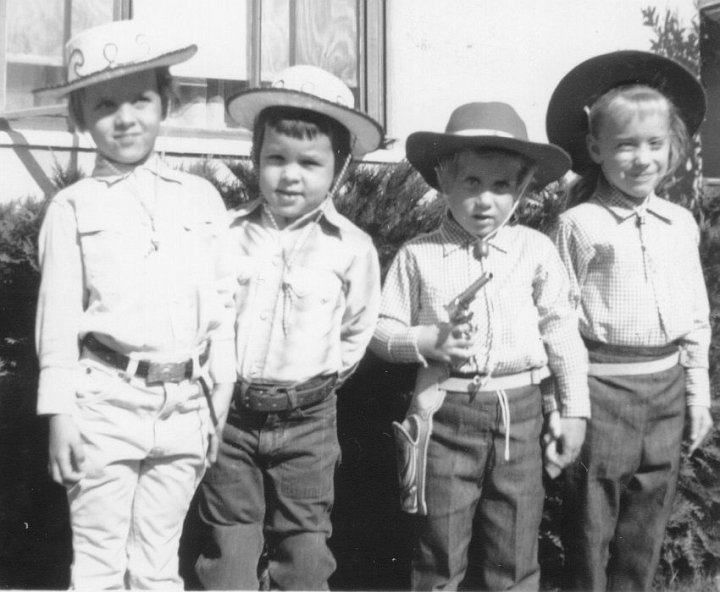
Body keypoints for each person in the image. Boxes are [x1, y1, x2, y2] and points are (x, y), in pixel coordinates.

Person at [34, 20, 236, 589]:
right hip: (105, 404)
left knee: (156, 564)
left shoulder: (200, 197)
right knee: (98, 565)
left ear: (165, 101)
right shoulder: (72, 209)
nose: (125, 118)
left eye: (141, 99)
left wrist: (220, 392)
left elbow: (221, 304)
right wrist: (60, 415)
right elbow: (56, 325)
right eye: (104, 105)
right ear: (79, 118)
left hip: (186, 408)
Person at [369, 101, 590, 591]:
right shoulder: (419, 255)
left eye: (501, 185)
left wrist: (573, 409)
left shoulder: (536, 251)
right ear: (444, 182)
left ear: (523, 190)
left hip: (520, 412)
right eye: (471, 182)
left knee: (514, 548)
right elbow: (381, 330)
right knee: (438, 548)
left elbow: (560, 331)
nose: (485, 200)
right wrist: (424, 340)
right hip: (444, 412)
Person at [194, 64, 384, 590]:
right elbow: (210, 317)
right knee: (228, 537)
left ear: (339, 169)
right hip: (230, 417)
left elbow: (357, 327)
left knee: (303, 541)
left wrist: (316, 382)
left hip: (309, 419)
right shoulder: (226, 236)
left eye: (309, 162)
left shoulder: (351, 248)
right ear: (256, 159)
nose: (290, 175)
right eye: (276, 158)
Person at [546, 50, 714, 591]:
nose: (642, 159)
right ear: (596, 148)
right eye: (625, 145)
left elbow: (695, 318)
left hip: (664, 391)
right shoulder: (579, 224)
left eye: (654, 144)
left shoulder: (679, 223)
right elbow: (556, 321)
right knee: (591, 521)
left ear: (674, 149)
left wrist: (696, 396)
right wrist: (563, 405)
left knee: (648, 521)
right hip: (604, 390)